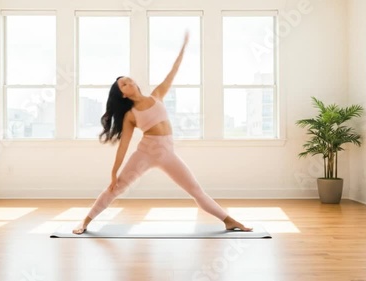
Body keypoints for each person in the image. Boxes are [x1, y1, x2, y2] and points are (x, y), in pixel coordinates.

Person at [73, 32, 252, 234]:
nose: (129, 83)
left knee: (196, 191)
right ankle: (85, 222)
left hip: (167, 154)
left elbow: (172, 72)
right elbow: (124, 145)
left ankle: (229, 220)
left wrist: (183, 48)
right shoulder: (130, 115)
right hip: (145, 154)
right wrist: (114, 173)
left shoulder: (157, 95)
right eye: (124, 84)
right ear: (122, 93)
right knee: (116, 189)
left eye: (129, 80)